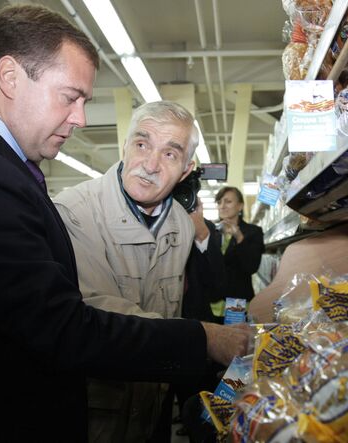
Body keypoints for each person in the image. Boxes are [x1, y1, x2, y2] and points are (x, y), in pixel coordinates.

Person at [0, 5, 249, 441]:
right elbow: (64, 328)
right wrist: (203, 339)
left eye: (170, 153)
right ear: (10, 77)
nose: (81, 118)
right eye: (70, 97)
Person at [53, 100, 225, 442]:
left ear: (187, 170)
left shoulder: (182, 224)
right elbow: (93, 315)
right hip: (94, 416)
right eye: (142, 144)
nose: (150, 165)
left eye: (170, 155)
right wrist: (205, 338)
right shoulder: (74, 211)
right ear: (125, 145)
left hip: (152, 409)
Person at [210, 186, 265, 321]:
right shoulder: (211, 231)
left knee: (236, 339)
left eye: (228, 201)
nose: (222, 206)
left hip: (237, 303)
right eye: (219, 202)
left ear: (240, 206)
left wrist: (240, 238)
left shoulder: (253, 232)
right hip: (212, 303)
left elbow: (251, 267)